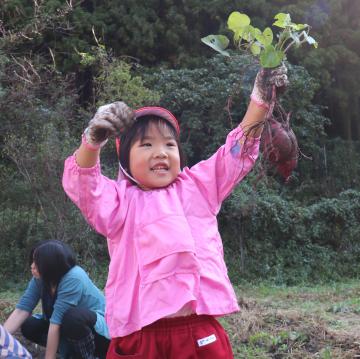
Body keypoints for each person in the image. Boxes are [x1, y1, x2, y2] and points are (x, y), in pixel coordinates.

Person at [62, 65, 288, 358]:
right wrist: (92, 140)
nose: (161, 152)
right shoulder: (118, 201)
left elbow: (237, 150)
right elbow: (83, 184)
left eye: (169, 144)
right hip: (139, 337)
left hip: (197, 332)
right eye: (146, 145)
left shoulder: (199, 187)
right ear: (125, 162)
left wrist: (261, 99)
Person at [3, 240, 110, 359]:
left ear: (50, 264)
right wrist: (2, 342)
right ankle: (69, 352)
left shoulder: (74, 278)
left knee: (73, 317)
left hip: (99, 333)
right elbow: (21, 310)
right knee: (30, 325)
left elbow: (56, 323)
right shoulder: (42, 278)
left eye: (37, 262)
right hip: (67, 327)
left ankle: (89, 356)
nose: (32, 266)